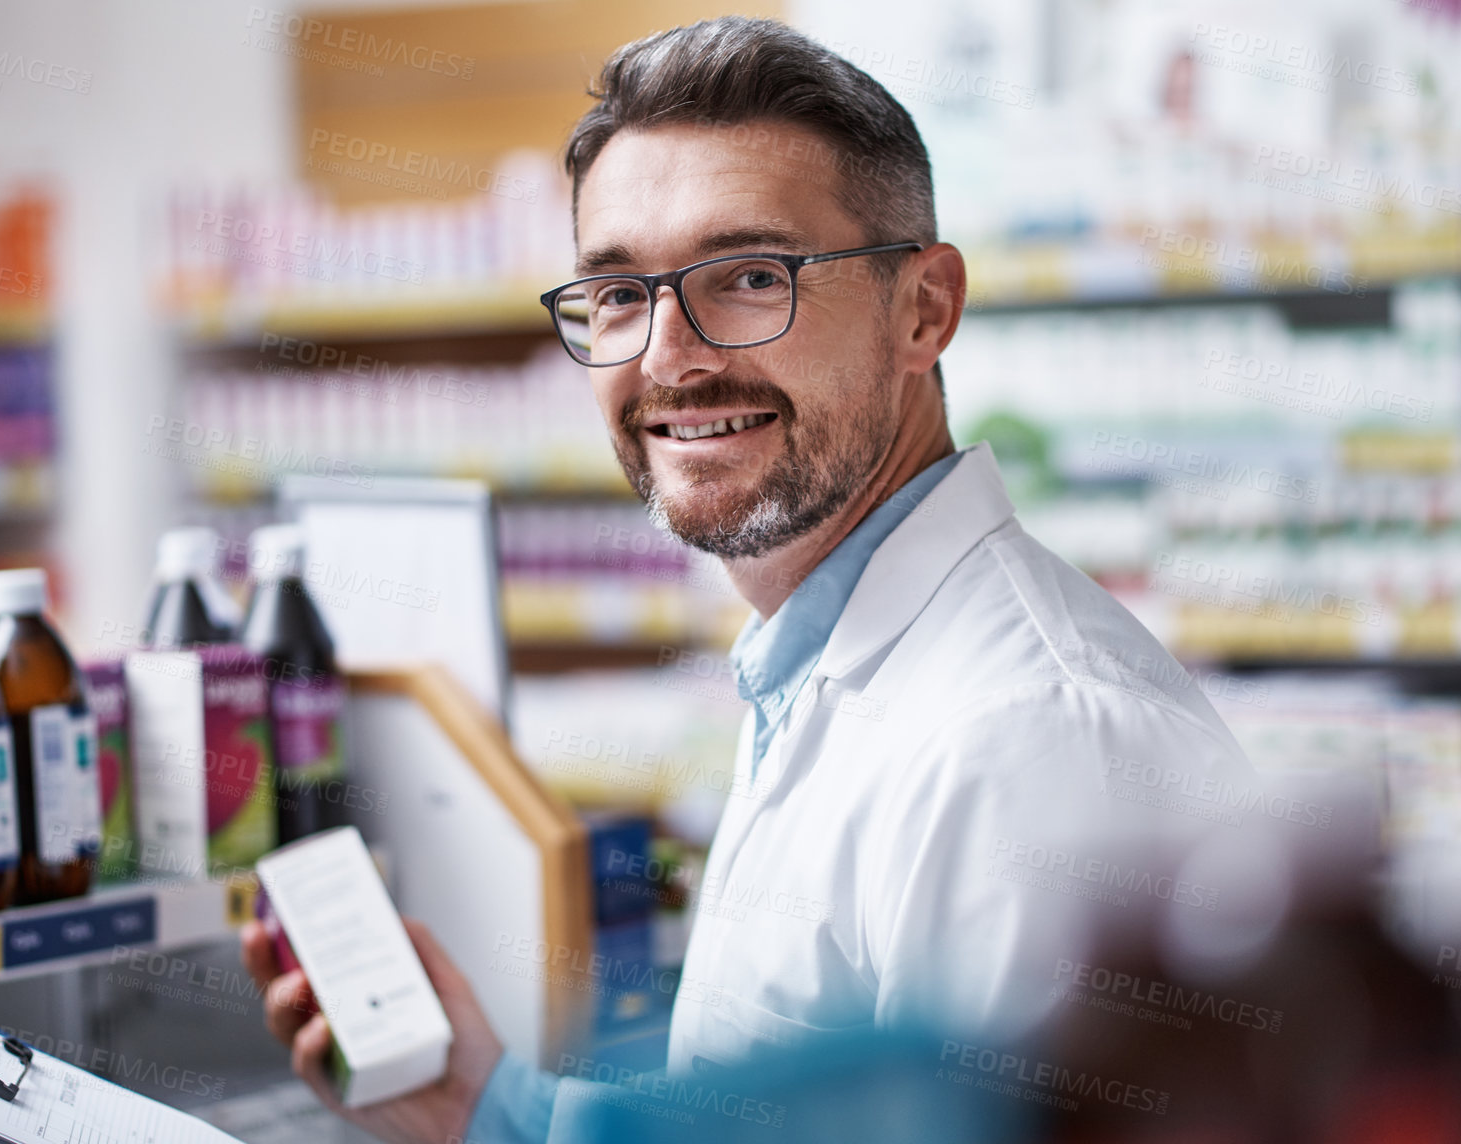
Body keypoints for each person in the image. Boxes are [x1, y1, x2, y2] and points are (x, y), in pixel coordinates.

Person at [244, 15, 1256, 1143]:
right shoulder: (817, 663)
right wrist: (489, 1109)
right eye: (619, 294)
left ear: (923, 309)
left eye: (746, 277)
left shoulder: (1033, 741)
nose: (668, 356)